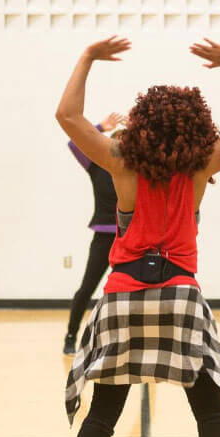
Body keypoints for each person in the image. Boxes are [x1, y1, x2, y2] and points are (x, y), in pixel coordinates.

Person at [56, 36, 220, 437]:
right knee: (209, 410)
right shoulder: (200, 166)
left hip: (123, 295)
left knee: (103, 413)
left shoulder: (122, 160)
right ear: (196, 126)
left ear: (143, 122)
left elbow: (68, 115)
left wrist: (86, 58)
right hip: (178, 295)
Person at [62, 112, 125, 356]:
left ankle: (127, 340)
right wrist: (101, 127)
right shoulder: (97, 166)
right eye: (116, 142)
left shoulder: (135, 170)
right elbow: (74, 143)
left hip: (129, 238)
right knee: (87, 288)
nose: (120, 147)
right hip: (103, 235)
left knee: (128, 292)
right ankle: (71, 336)